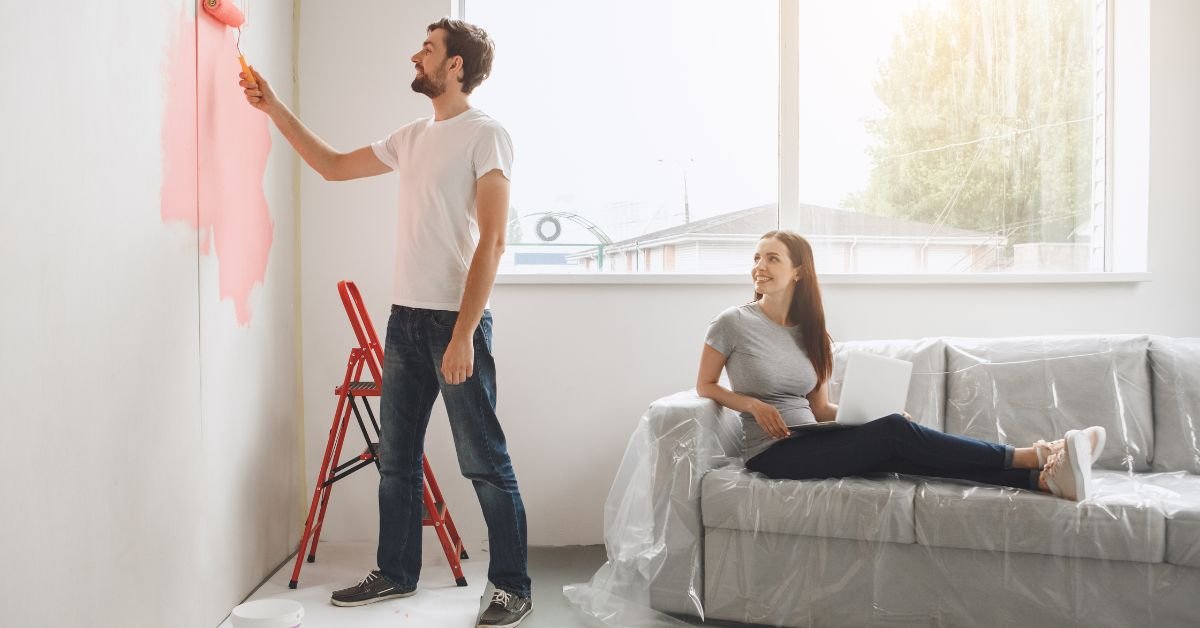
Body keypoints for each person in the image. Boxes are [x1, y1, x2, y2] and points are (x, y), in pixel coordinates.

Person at [240, 17, 531, 628]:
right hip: (404, 318)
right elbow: (333, 166)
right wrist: (273, 107)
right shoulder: (412, 137)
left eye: (427, 49)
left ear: (456, 66)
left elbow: (494, 241)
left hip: (457, 324)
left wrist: (461, 336)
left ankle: (511, 587)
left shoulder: (487, 135)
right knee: (395, 458)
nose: (415, 55)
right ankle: (395, 573)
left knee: (484, 461)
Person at [696, 230, 1105, 501]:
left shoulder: (814, 335)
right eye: (756, 258)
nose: (759, 267)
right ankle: (1034, 454)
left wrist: (877, 417)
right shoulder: (733, 322)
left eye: (772, 258)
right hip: (773, 453)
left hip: (812, 436)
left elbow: (821, 411)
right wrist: (752, 405)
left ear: (798, 271)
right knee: (894, 434)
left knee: (903, 450)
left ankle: (1042, 479)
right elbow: (705, 385)